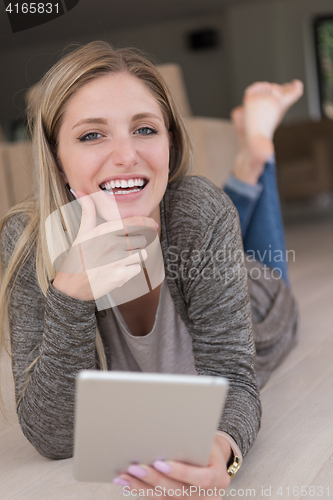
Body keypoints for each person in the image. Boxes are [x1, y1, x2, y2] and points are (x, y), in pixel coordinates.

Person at [0, 41, 299, 496]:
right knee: (211, 217)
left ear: (170, 141)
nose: (126, 155)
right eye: (91, 135)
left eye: (144, 129)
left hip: (259, 300)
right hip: (195, 233)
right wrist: (71, 292)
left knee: (255, 255)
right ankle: (250, 160)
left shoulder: (197, 212)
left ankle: (257, 153)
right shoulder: (26, 244)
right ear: (57, 159)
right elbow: (56, 436)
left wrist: (223, 452)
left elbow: (235, 379)